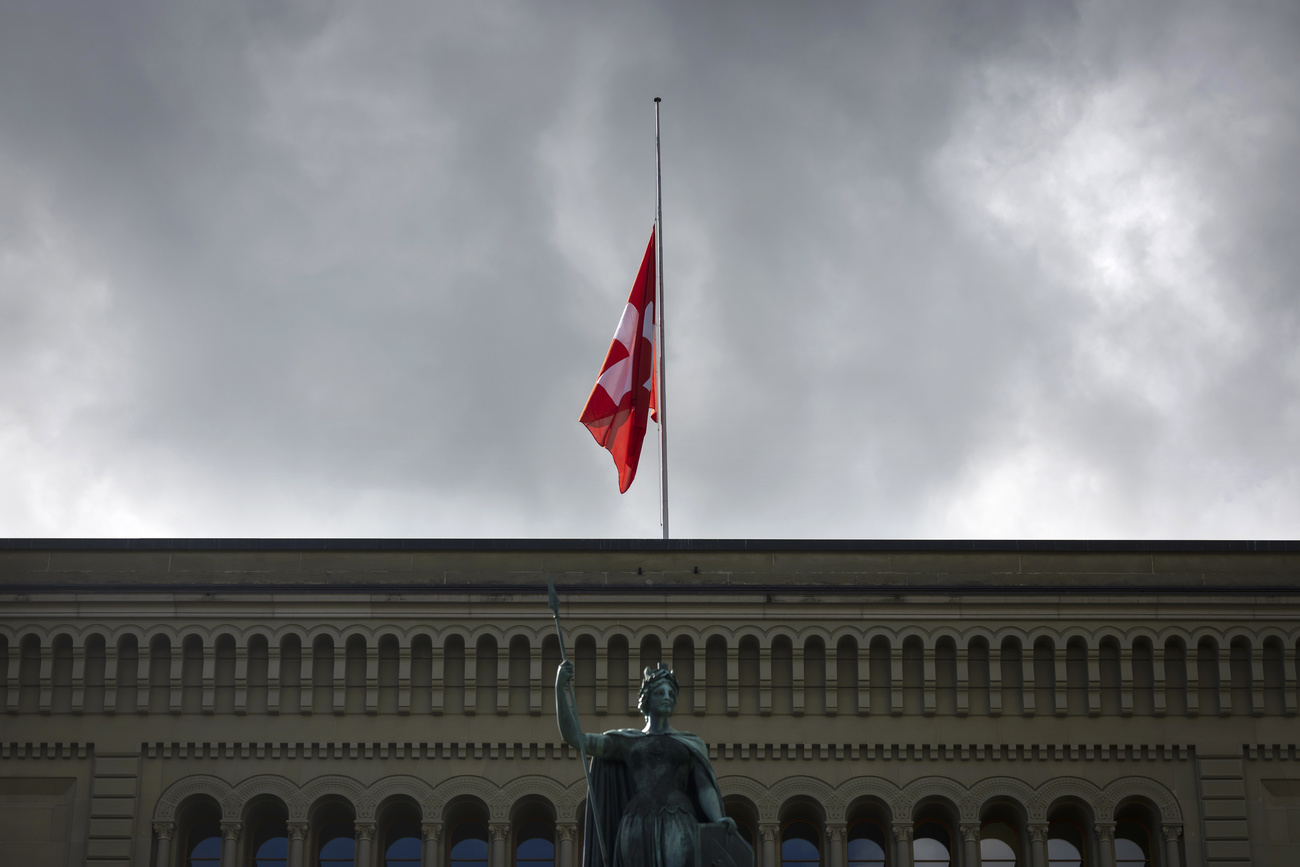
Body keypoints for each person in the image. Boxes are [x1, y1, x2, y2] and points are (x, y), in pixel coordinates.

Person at [556, 660, 739, 867]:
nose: (667, 698)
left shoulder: (691, 743)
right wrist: (559, 687)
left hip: (678, 816)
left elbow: (704, 787)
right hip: (638, 819)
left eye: (671, 694)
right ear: (646, 699)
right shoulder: (628, 741)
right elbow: (574, 737)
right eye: (660, 693)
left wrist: (717, 819)